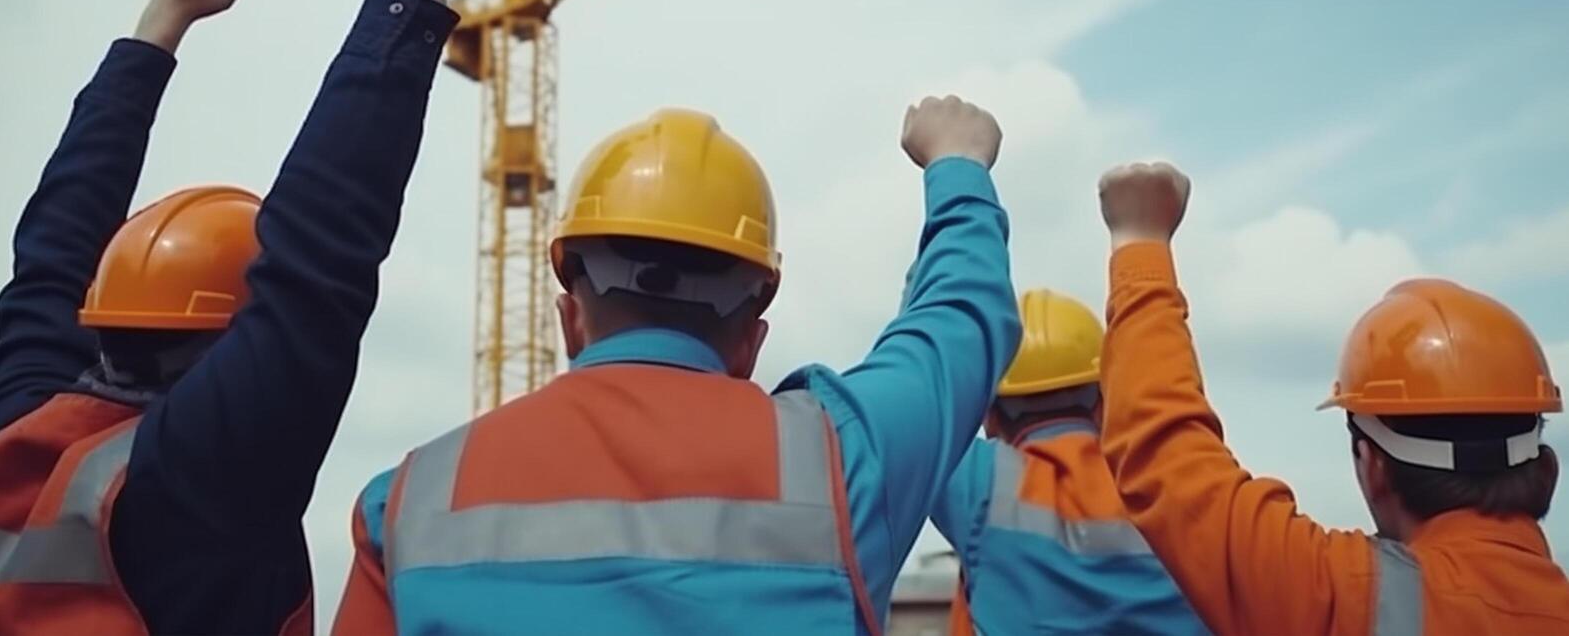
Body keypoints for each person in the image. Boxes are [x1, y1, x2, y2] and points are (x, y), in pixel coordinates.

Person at [0, 0, 501, 635]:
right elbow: (320, 247)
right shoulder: (206, 473)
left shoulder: (10, 442)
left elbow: (52, 252)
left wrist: (158, 26)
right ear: (233, 342)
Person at [334, 96, 1020, 635]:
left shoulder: (404, 506)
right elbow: (960, 322)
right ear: (750, 341)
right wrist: (956, 165)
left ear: (570, 317)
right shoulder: (838, 462)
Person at [1096, 161, 1569, 634]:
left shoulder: (1342, 595)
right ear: (1547, 469)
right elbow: (1168, 456)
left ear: (1373, 467)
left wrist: (1140, 241)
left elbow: (1172, 465)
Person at [930, 288, 1204, 635]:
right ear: (1105, 400)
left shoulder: (980, 483)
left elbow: (922, 395)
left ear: (989, 415)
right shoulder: (1174, 486)